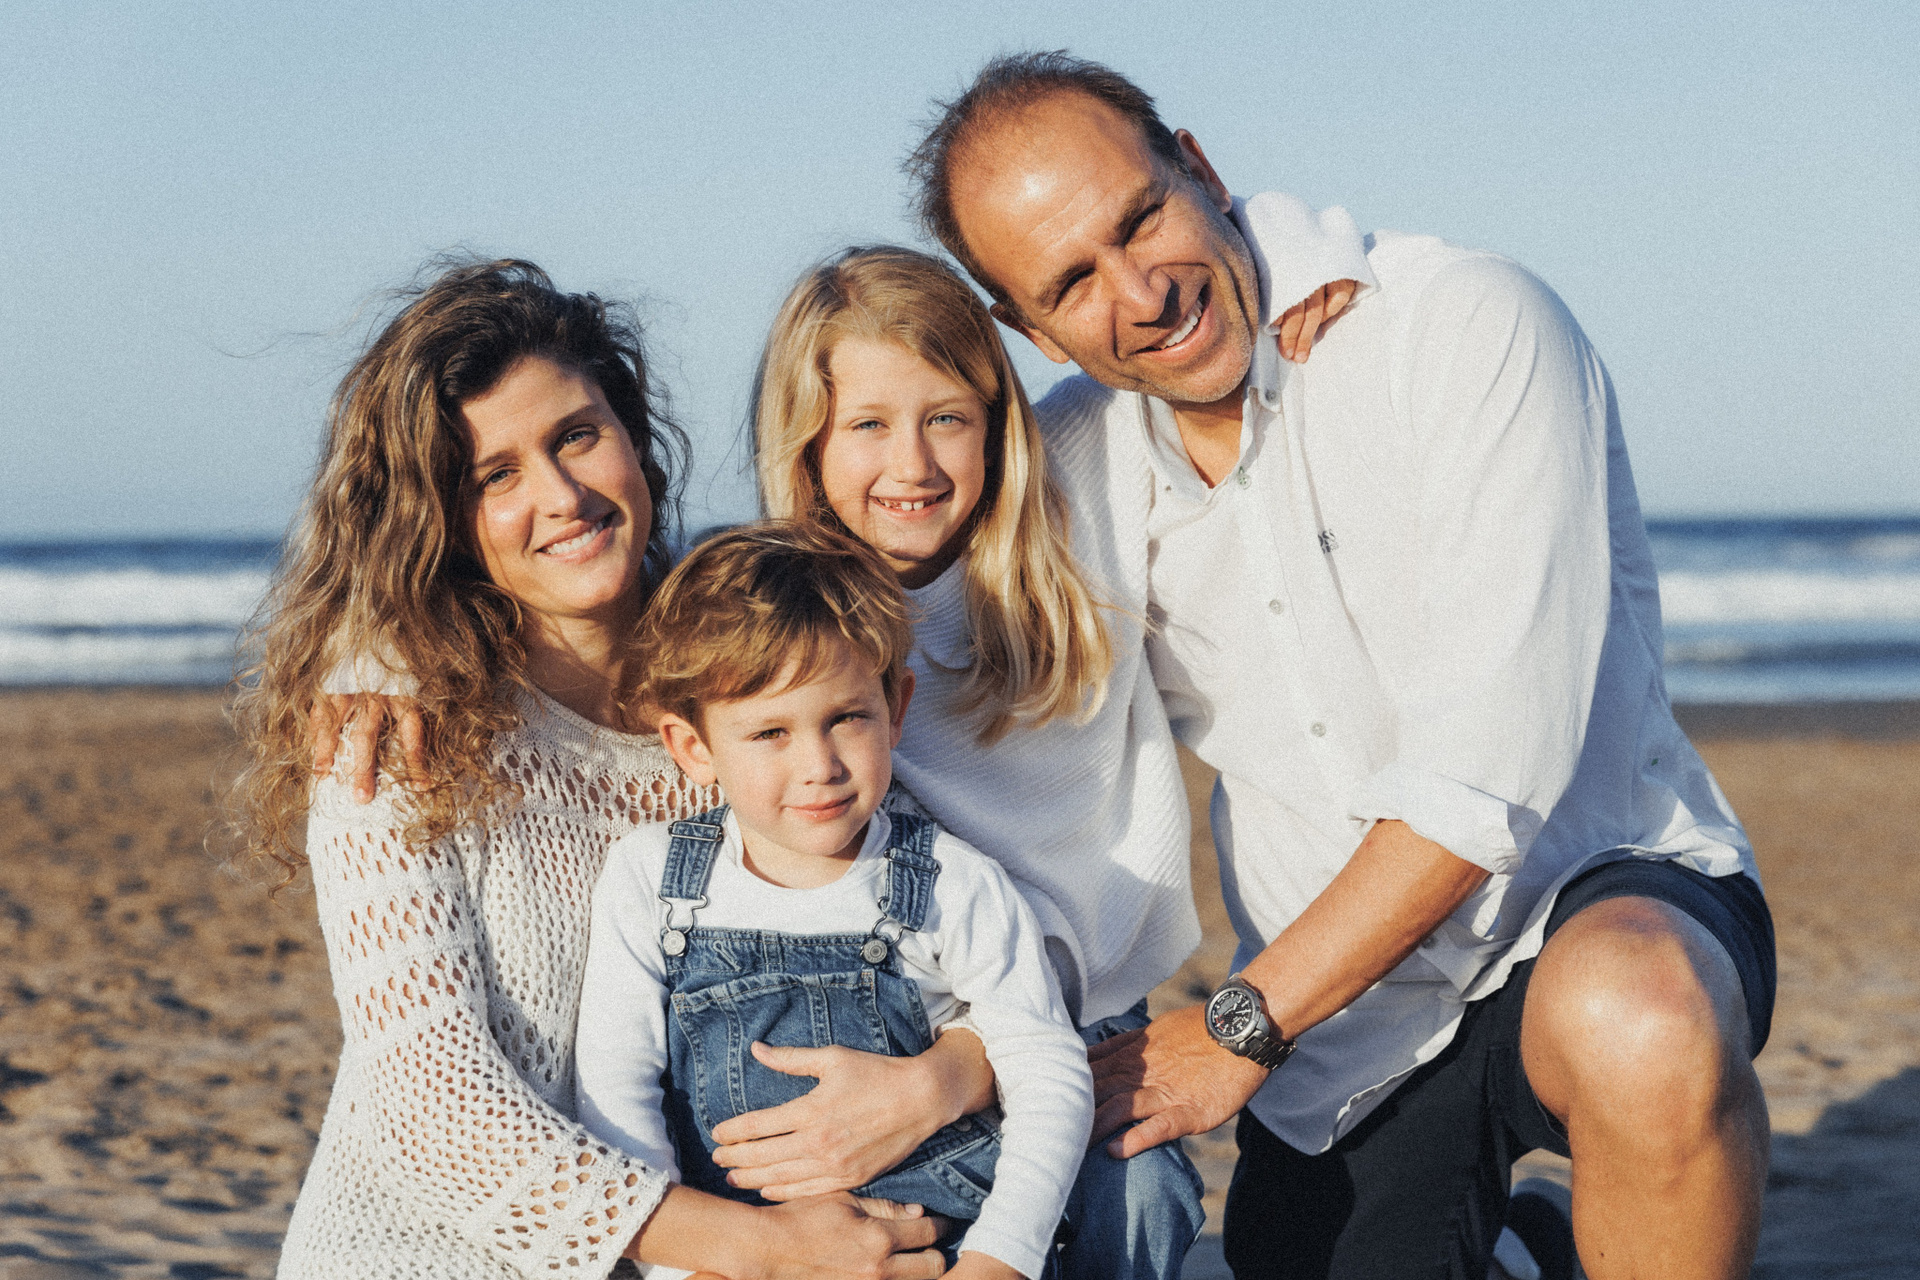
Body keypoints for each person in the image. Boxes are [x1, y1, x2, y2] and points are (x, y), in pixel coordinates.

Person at [903, 52, 1776, 1280]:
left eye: (1141, 218)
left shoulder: (1459, 323)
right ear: (1026, 327)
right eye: (1073, 282)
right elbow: (881, 656)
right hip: (1348, 1026)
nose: (1143, 292)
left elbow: (1487, 778)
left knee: (1636, 1015)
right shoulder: (1075, 470)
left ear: (1200, 169)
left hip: (1591, 893)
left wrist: (1233, 1027)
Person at [236, 258, 948, 1280]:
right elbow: (436, 1106)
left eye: (576, 435)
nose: (562, 496)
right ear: (441, 520)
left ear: (632, 434)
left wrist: (943, 1080)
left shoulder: (754, 694)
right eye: (496, 475)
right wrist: (766, 1248)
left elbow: (939, 915)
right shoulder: (398, 733)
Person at [575, 522, 1094, 1280]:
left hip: (932, 1245)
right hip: (735, 1255)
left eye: (846, 718)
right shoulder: (652, 878)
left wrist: (998, 1261)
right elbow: (617, 1092)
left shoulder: (953, 882)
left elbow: (1045, 1070)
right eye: (770, 732)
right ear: (693, 747)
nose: (819, 765)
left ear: (896, 706)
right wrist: (683, 1270)